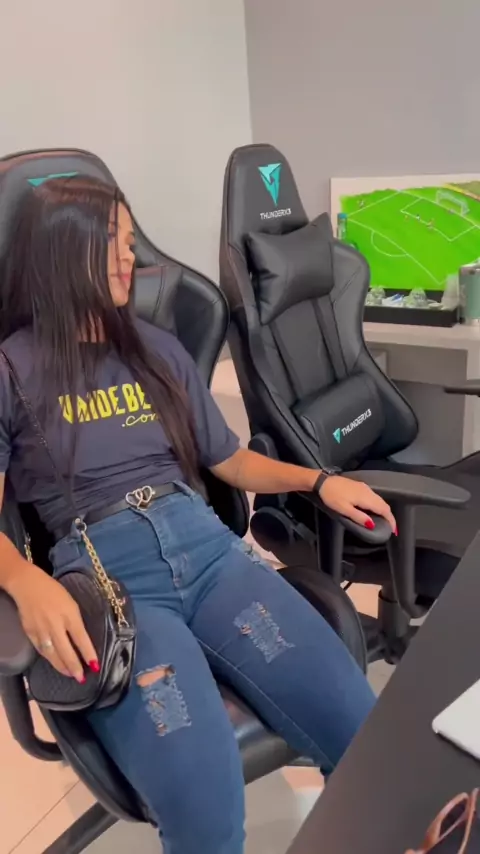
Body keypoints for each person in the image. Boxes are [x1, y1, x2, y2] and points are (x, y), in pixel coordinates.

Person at [0, 177, 396, 854]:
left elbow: (230, 461)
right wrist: (22, 579)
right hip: (114, 583)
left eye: (130, 242)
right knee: (206, 817)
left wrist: (320, 481)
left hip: (211, 556)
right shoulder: (13, 370)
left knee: (365, 739)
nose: (130, 258)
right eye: (112, 243)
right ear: (63, 251)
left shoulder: (157, 349)